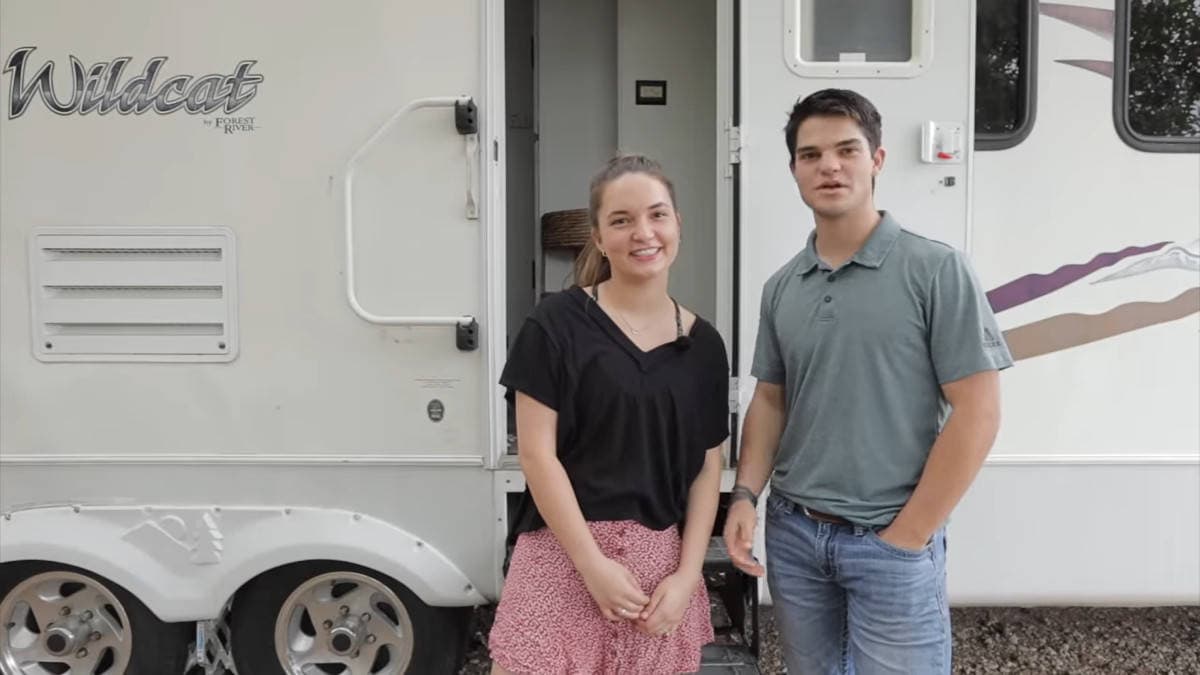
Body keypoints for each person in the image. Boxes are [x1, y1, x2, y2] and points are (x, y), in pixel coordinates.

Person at [723, 89, 1013, 674]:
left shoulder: (936, 270)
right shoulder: (783, 286)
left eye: (846, 150)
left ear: (877, 160)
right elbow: (771, 400)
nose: (829, 166)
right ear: (794, 171)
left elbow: (977, 411)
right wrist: (746, 494)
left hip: (892, 539)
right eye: (811, 155)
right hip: (796, 537)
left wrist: (910, 535)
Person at [489, 154, 729, 673]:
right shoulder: (555, 324)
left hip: (657, 578)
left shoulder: (705, 346)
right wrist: (591, 563)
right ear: (598, 237)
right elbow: (537, 454)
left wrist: (687, 578)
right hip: (562, 557)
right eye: (621, 220)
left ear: (677, 225)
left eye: (657, 215)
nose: (643, 232)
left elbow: (708, 469)